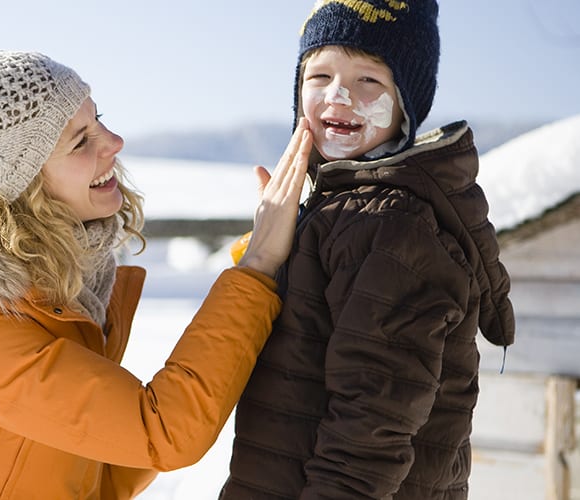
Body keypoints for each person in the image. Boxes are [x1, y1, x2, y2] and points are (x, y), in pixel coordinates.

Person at [0, 50, 312, 499]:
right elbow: (163, 431)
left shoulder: (61, 280)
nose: (114, 143)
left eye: (99, 120)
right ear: (17, 190)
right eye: (80, 140)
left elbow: (96, 467)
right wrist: (254, 272)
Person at [220, 1, 516, 499]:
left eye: (369, 81)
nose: (339, 95)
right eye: (319, 75)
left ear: (406, 105)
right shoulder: (344, 210)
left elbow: (371, 425)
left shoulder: (392, 228)